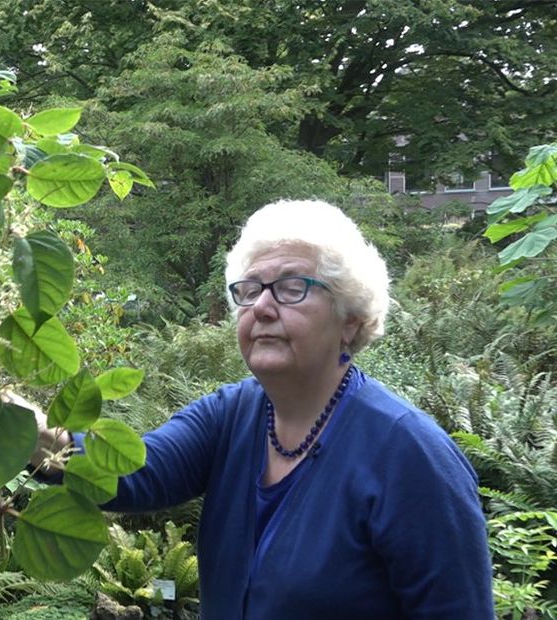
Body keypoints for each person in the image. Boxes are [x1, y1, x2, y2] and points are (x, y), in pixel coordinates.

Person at [25, 199, 493, 619]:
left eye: (291, 287)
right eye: (250, 289)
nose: (262, 306)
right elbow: (136, 471)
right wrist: (38, 437)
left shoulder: (411, 456)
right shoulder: (228, 416)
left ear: (350, 321)